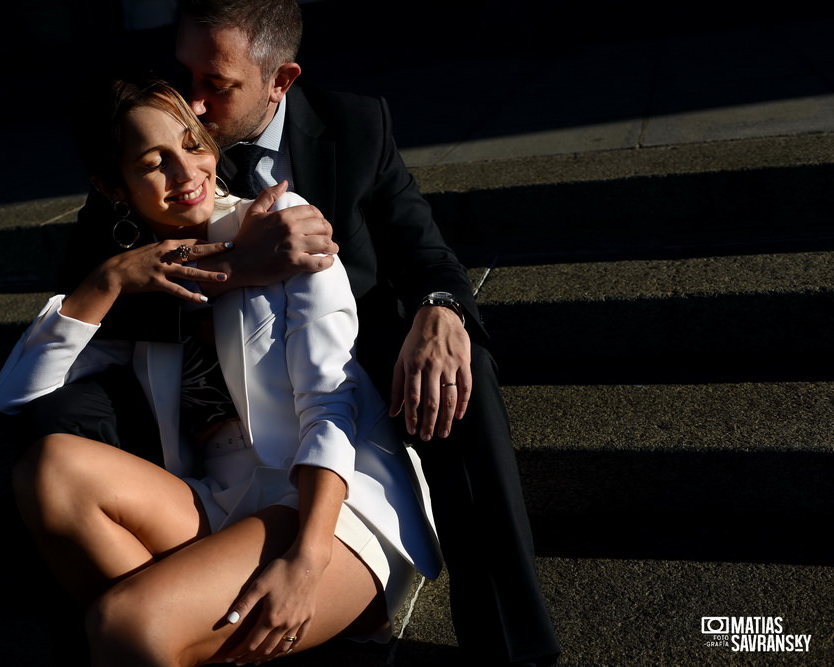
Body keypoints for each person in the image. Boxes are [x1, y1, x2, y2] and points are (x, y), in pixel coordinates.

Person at [40, 1, 559, 663]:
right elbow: (91, 290)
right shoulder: (164, 150)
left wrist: (441, 308)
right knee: (55, 431)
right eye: (185, 74)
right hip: (212, 430)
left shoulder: (355, 126)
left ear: (280, 80)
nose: (192, 106)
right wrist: (237, 268)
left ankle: (514, 646)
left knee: (463, 370)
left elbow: (421, 250)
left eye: (216, 85)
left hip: (351, 387)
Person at [0, 76, 441, 665]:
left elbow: (333, 405)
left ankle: (159, 630)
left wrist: (307, 562)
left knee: (123, 623)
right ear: (114, 188)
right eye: (155, 162)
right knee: (48, 469)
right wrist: (107, 281)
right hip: (217, 496)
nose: (187, 173)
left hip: (331, 503)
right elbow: (19, 393)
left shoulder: (281, 225)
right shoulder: (147, 274)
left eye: (194, 143)